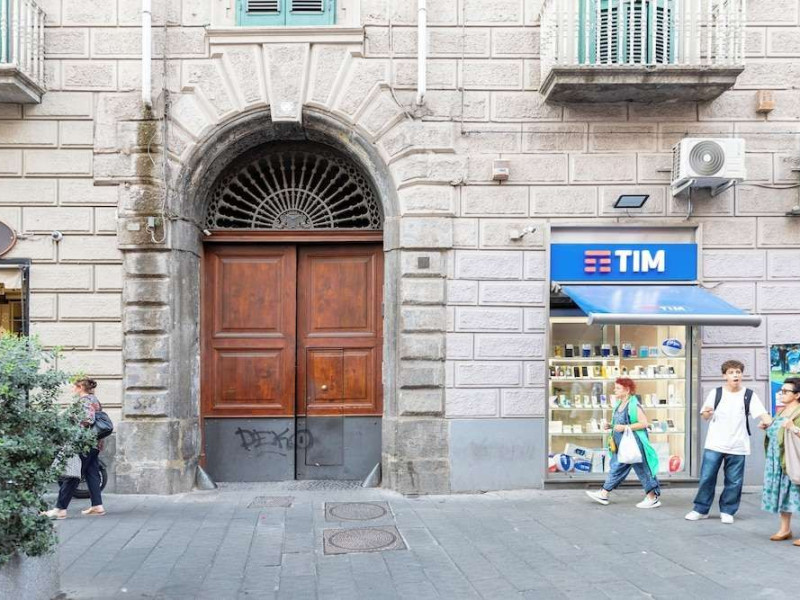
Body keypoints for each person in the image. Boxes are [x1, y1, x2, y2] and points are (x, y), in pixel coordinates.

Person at [685, 360, 772, 524]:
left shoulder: (749, 395)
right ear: (724, 376)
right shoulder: (716, 393)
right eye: (731, 372)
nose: (735, 375)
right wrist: (707, 413)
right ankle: (700, 509)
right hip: (715, 444)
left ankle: (727, 510)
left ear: (742, 375)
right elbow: (705, 416)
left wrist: (770, 422)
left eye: (738, 372)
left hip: (738, 444)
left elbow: (762, 414)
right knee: (707, 478)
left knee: (734, 481)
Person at [585, 378, 662, 508]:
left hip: (635, 444)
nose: (614, 390)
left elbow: (644, 423)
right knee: (618, 467)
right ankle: (604, 493)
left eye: (618, 388)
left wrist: (625, 427)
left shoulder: (634, 405)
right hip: (623, 445)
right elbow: (619, 424)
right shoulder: (619, 404)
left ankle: (652, 498)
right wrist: (610, 426)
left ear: (627, 390)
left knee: (642, 469)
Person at [43, 378, 106, 519]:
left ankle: (60, 509)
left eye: (74, 387)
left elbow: (88, 419)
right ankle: (97, 506)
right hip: (94, 443)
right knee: (92, 473)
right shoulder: (94, 399)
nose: (72, 389)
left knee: (72, 475)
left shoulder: (84, 401)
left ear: (80, 387)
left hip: (83, 443)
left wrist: (72, 425)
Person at [762, 377, 800, 545]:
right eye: (781, 391)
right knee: (784, 494)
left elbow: (793, 432)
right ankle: (785, 529)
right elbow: (778, 433)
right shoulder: (781, 411)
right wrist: (768, 428)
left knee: (797, 492)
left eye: (786, 391)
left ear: (797, 395)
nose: (781, 394)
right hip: (778, 460)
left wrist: (793, 428)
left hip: (794, 460)